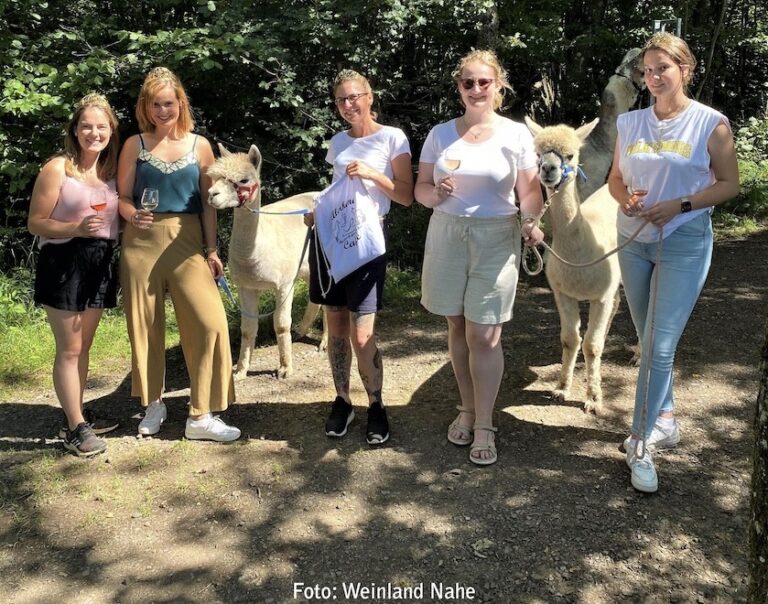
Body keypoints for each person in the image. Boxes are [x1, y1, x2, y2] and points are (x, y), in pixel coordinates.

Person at [607, 33, 739, 493]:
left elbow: (728, 184)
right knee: (647, 338)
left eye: (663, 68)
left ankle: (640, 441)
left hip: (683, 241)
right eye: (647, 70)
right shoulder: (631, 123)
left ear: (686, 69)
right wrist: (627, 201)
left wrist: (681, 205)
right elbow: (616, 181)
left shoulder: (710, 123)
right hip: (634, 240)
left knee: (659, 347)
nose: (654, 77)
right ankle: (665, 418)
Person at [414, 50, 545, 466]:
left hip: (496, 237)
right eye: (467, 82)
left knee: (485, 334)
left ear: (498, 86)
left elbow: (529, 192)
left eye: (483, 82)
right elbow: (419, 188)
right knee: (457, 324)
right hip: (447, 233)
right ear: (458, 87)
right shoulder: (439, 134)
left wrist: (531, 221)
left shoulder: (516, 135)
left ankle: (485, 422)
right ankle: (467, 409)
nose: (475, 89)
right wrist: (434, 195)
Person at [117, 67, 240, 442]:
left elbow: (208, 204)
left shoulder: (199, 145)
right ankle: (153, 403)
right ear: (146, 106)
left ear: (180, 103)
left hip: (187, 242)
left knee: (209, 323)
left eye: (169, 103)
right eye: (155, 104)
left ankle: (200, 415)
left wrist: (212, 248)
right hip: (141, 242)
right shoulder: (133, 144)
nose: (162, 110)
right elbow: (120, 198)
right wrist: (132, 214)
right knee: (145, 327)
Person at [306, 69, 414, 445]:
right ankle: (342, 400)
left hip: (367, 242)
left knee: (362, 331)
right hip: (333, 238)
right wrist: (317, 211)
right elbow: (336, 191)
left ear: (370, 97)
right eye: (341, 100)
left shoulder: (392, 138)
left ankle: (376, 405)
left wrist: (372, 173)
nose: (348, 105)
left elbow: (405, 196)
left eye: (355, 97)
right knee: (334, 323)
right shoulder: (337, 142)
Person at [28, 93, 122, 456]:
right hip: (63, 260)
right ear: (75, 130)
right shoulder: (58, 168)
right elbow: (35, 222)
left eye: (101, 126)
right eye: (86, 126)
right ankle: (75, 429)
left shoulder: (111, 174)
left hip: (99, 261)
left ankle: (76, 414)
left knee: (84, 346)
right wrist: (75, 228)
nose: (93, 133)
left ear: (111, 130)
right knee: (68, 349)